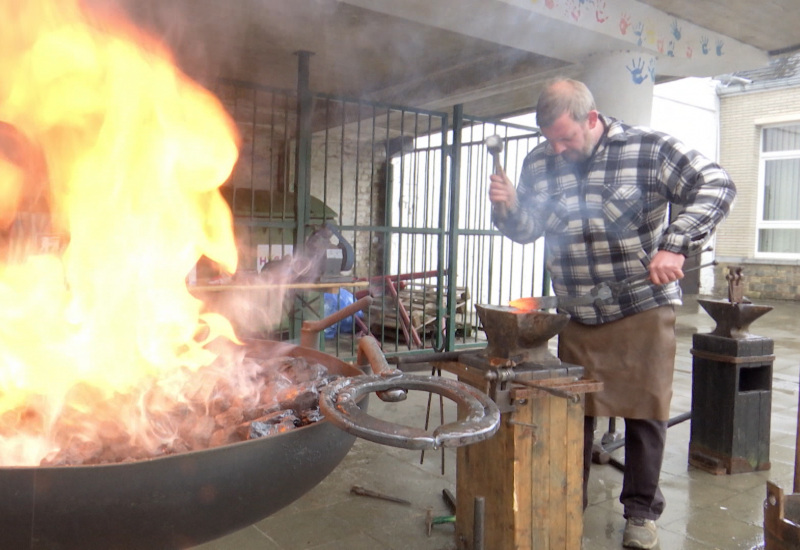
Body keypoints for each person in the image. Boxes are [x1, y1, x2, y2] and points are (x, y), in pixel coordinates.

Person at [488, 77, 736, 549]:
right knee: (573, 416)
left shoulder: (648, 148)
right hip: (578, 311)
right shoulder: (539, 162)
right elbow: (526, 230)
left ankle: (640, 514)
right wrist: (508, 209)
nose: (558, 149)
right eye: (550, 139)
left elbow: (718, 184)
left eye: (567, 137)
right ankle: (567, 504)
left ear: (593, 119)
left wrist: (675, 245)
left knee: (646, 413)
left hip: (641, 305)